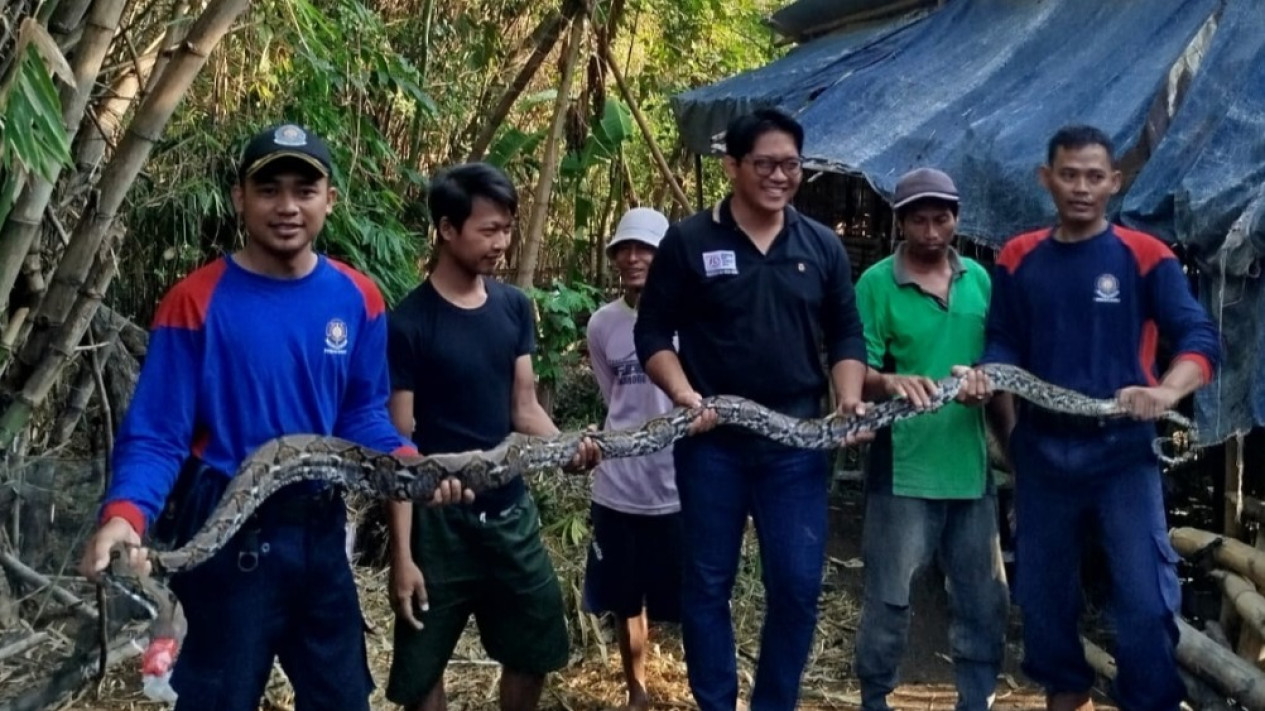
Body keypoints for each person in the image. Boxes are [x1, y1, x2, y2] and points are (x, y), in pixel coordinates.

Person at [78, 123, 464, 711]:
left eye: (304, 190)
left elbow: (362, 414)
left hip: (319, 529)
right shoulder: (195, 300)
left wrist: (410, 467)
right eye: (269, 190)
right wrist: (126, 514)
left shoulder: (358, 299)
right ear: (240, 198)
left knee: (341, 698)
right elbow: (159, 433)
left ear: (329, 199)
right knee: (217, 698)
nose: (287, 206)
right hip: (229, 534)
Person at [974, 125, 1220, 711]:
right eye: (1068, 175)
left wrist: (1165, 391)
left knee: (1144, 600)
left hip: (1121, 454)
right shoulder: (1019, 256)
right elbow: (1003, 341)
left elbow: (1199, 339)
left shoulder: (1145, 256)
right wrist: (989, 377)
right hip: (1044, 453)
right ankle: (1067, 693)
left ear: (1115, 182)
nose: (1081, 188)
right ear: (1046, 179)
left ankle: (1150, 699)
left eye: (1093, 176)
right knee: (1043, 595)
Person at [633, 108, 872, 711]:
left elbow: (846, 335)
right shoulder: (690, 240)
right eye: (764, 164)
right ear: (732, 165)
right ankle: (716, 702)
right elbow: (653, 334)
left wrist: (846, 397)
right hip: (711, 439)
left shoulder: (820, 244)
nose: (779, 176)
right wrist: (685, 395)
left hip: (796, 441)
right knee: (708, 583)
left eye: (790, 165)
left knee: (795, 586)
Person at [384, 162, 600, 711]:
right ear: (447, 229)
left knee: (535, 647)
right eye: (489, 230)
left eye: (506, 229)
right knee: (421, 666)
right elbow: (398, 445)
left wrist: (563, 448)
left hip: (509, 513)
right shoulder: (408, 324)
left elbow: (523, 407)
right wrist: (402, 556)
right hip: (439, 525)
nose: (501, 242)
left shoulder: (512, 307)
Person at [852, 167, 1008, 711]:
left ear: (957, 219)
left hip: (969, 467)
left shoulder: (981, 281)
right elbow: (856, 368)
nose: (931, 230)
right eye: (918, 219)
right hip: (904, 467)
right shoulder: (875, 283)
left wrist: (987, 383)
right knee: (889, 599)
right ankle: (876, 697)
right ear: (901, 224)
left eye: (941, 218)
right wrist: (890, 380)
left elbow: (997, 363)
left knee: (983, 599)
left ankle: (977, 699)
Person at [583, 207, 682, 711]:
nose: (634, 257)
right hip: (619, 484)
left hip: (680, 483)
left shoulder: (693, 318)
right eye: (626, 248)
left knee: (693, 594)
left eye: (646, 248)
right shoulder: (603, 324)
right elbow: (613, 397)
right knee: (626, 598)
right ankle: (636, 689)